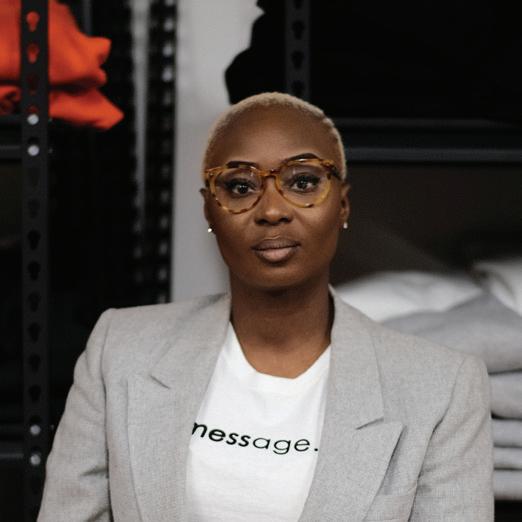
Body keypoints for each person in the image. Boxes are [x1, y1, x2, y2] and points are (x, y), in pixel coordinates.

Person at [37, 92, 494, 521]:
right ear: (209, 211)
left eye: (303, 182)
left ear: (342, 205)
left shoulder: (442, 387)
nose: (272, 210)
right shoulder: (120, 349)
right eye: (239, 186)